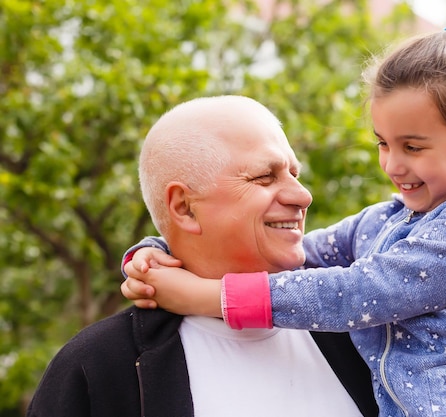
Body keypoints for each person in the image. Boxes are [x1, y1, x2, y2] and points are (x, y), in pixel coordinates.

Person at [122, 26, 446, 416]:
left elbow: (360, 293)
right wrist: (163, 252)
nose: (393, 165)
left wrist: (207, 297)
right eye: (383, 143)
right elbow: (297, 254)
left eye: (412, 147)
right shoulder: (388, 220)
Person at [27, 95, 378, 417]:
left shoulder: (366, 331)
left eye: (294, 174)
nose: (303, 196)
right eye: (264, 177)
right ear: (184, 208)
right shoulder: (97, 369)